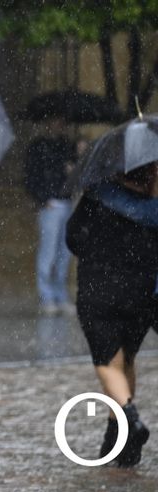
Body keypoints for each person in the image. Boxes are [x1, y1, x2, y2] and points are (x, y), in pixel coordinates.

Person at [66, 163, 158, 468]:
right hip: (141, 295)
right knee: (126, 360)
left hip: (99, 291)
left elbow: (74, 238)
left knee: (107, 362)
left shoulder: (97, 197)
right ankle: (119, 443)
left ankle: (130, 420)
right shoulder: (153, 206)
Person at [24, 117, 78, 316]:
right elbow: (30, 176)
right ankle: (46, 296)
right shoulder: (38, 148)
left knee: (64, 254)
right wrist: (42, 198)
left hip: (67, 202)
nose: (59, 124)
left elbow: (76, 175)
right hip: (50, 205)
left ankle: (60, 294)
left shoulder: (68, 146)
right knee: (48, 253)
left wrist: (74, 166)